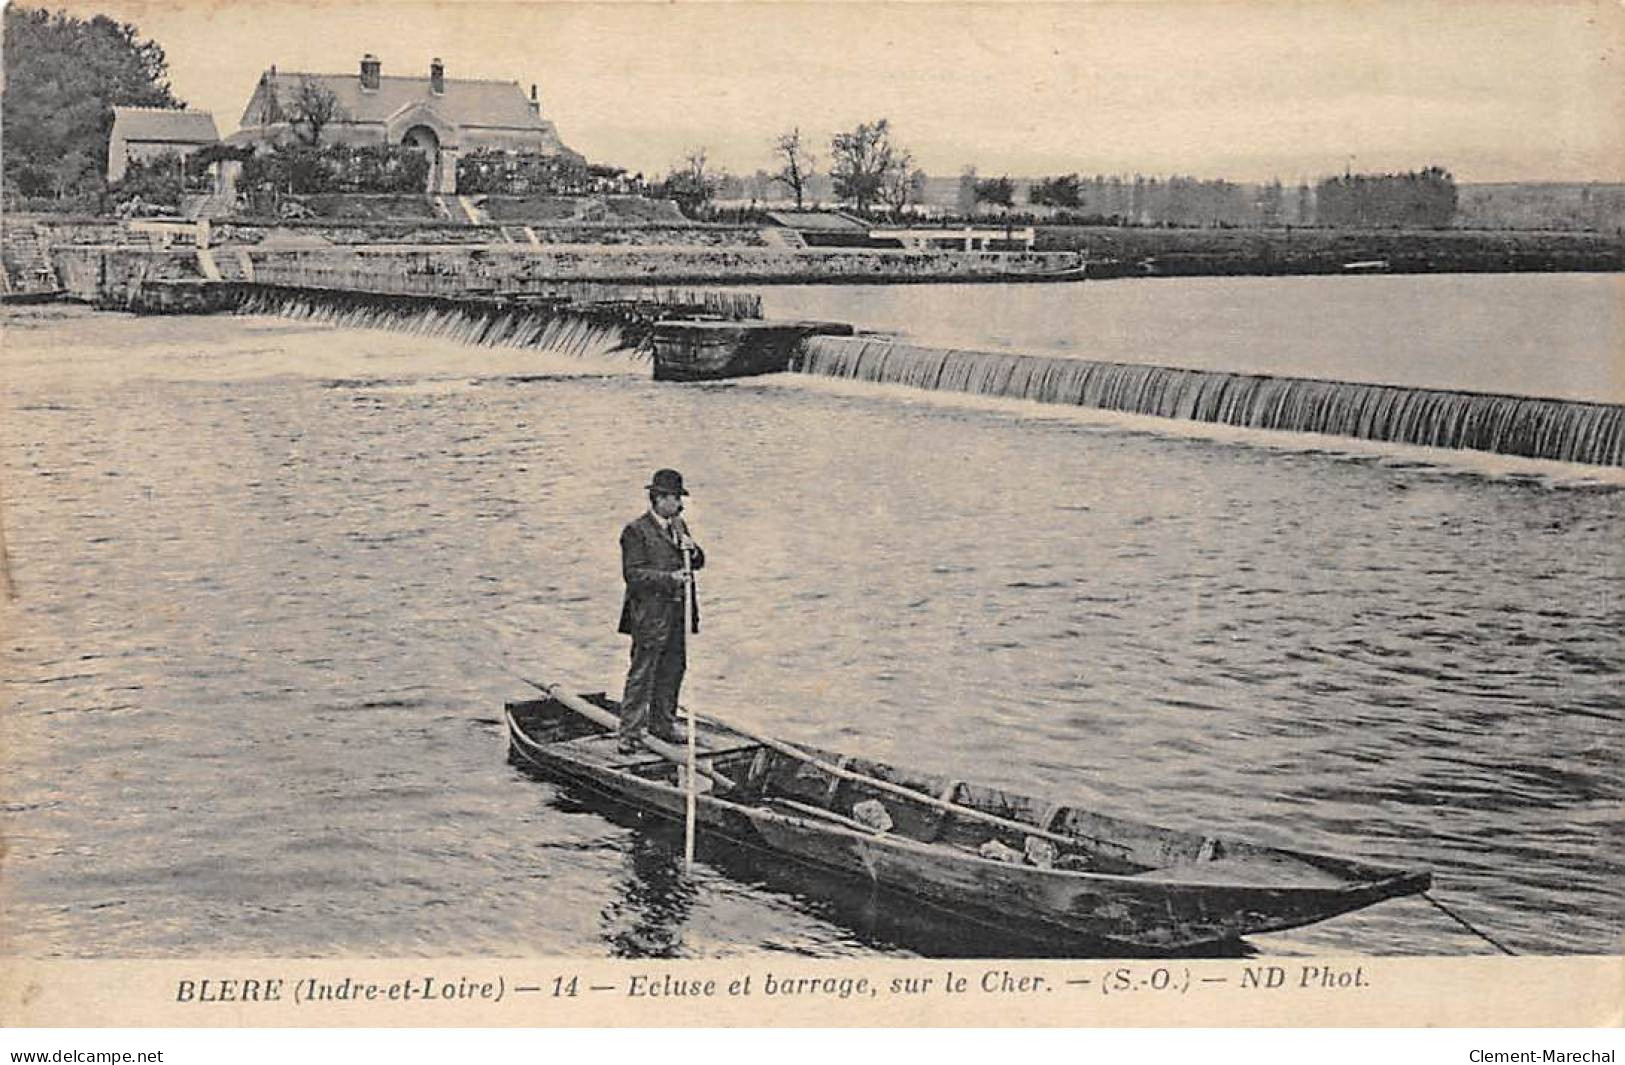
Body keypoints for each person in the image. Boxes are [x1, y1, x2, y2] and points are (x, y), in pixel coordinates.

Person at [617, 468, 704, 753]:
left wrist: (693, 551)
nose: (680, 505)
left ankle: (662, 724)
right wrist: (670, 579)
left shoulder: (679, 526)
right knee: (643, 672)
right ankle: (629, 733)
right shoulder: (635, 531)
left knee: (673, 668)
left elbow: (699, 561)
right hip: (649, 616)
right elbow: (634, 575)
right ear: (659, 499)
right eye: (676, 499)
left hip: (678, 613)